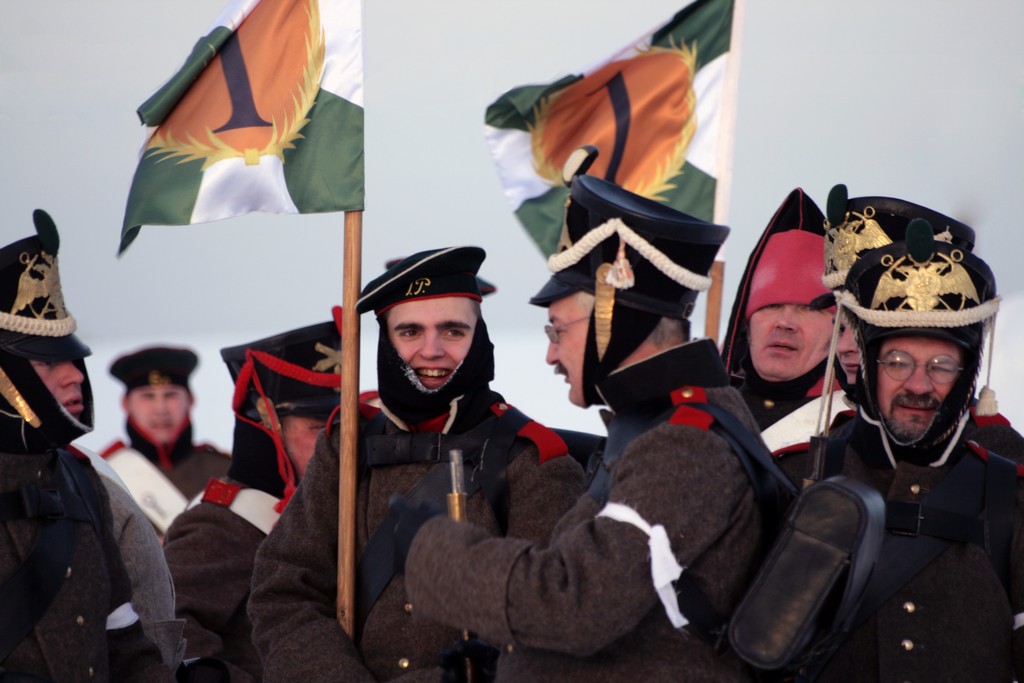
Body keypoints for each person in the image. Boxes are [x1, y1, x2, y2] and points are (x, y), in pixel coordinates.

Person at [389, 159, 774, 680]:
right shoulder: (673, 424)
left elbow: (575, 603)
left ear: (613, 320)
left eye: (557, 330)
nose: (551, 354)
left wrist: (432, 551)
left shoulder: (683, 444)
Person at [248, 247, 586, 681]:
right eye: (410, 331)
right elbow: (284, 591)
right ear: (386, 340)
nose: (432, 350)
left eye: (453, 331)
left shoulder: (532, 458)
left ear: (479, 337)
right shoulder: (345, 446)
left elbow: (551, 619)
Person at [786, 218, 1024, 680]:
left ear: (967, 377)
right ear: (869, 367)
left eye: (941, 365)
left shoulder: (1009, 496)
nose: (918, 384)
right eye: (897, 362)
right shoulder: (798, 477)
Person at [0, 210, 173, 681]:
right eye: (45, 363)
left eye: (72, 360)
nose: (74, 375)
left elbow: (125, 645)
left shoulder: (80, 482)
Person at [162, 316, 345, 682]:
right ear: (268, 427)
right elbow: (168, 627)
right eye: (316, 427)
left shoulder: (322, 508)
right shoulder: (220, 525)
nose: (334, 441)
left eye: (339, 426)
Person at [720, 188, 844, 457]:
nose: (785, 322)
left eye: (808, 309)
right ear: (748, 326)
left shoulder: (851, 432)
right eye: (771, 306)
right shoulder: (703, 415)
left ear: (838, 330)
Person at [101, 346, 230, 534]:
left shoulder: (225, 471)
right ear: (126, 403)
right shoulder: (105, 476)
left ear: (190, 400)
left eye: (171, 395)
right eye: (147, 396)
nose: (160, 409)